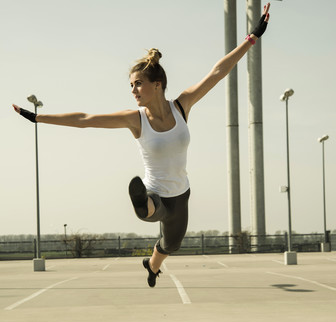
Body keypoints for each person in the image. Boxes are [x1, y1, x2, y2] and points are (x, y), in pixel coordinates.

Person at [13, 3, 270, 287]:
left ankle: (152, 265)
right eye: (131, 86)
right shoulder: (135, 120)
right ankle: (142, 203)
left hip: (181, 194)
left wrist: (252, 37)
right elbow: (85, 119)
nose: (133, 90)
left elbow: (218, 72)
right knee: (153, 208)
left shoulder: (182, 106)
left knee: (171, 244)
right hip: (156, 192)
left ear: (157, 84)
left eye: (137, 84)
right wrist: (37, 117)